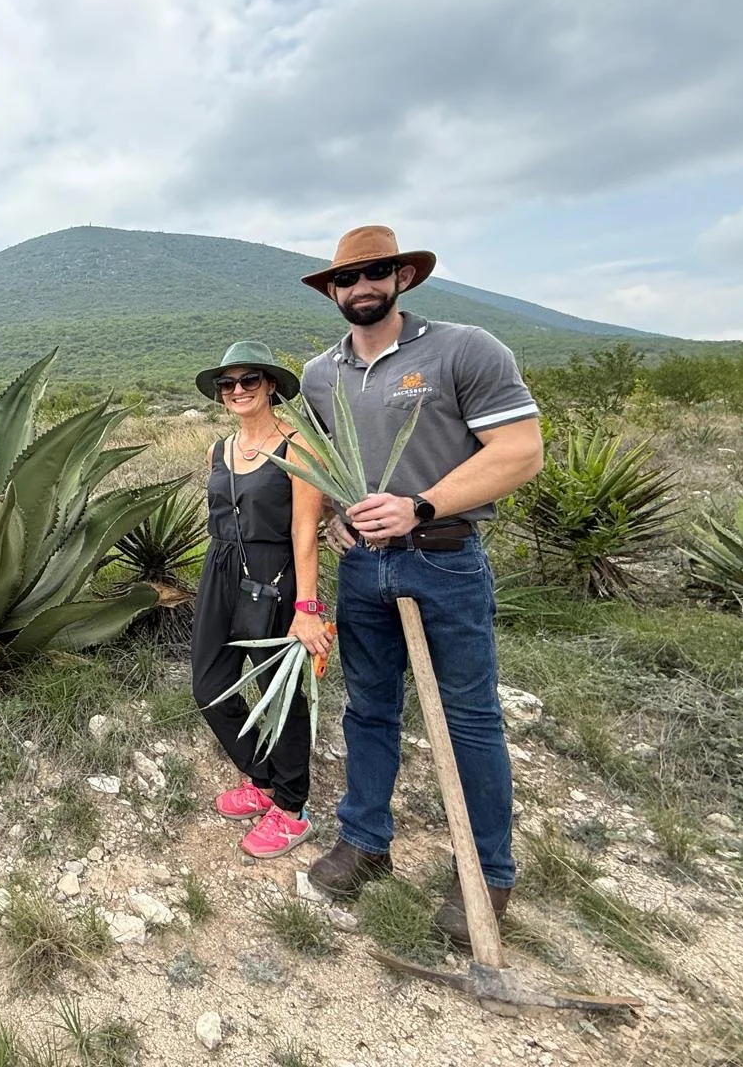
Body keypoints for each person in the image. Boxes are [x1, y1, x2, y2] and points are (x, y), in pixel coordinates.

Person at [297, 226, 544, 946]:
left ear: (402, 276)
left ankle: (488, 877)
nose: (360, 288)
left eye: (375, 273)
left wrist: (421, 504)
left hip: (442, 556)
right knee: (368, 710)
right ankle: (365, 841)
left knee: (469, 718)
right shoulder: (321, 374)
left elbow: (521, 451)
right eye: (346, 279)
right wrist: (337, 521)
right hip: (362, 566)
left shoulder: (464, 349)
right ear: (333, 290)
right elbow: (322, 462)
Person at [191, 343, 334, 859]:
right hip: (221, 571)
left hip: (276, 575)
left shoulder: (299, 447)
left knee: (279, 695)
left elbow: (304, 530)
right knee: (208, 686)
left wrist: (308, 606)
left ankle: (293, 808)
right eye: (227, 384)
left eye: (249, 379)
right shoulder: (219, 449)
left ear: (271, 384)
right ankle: (264, 779)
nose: (238, 390)